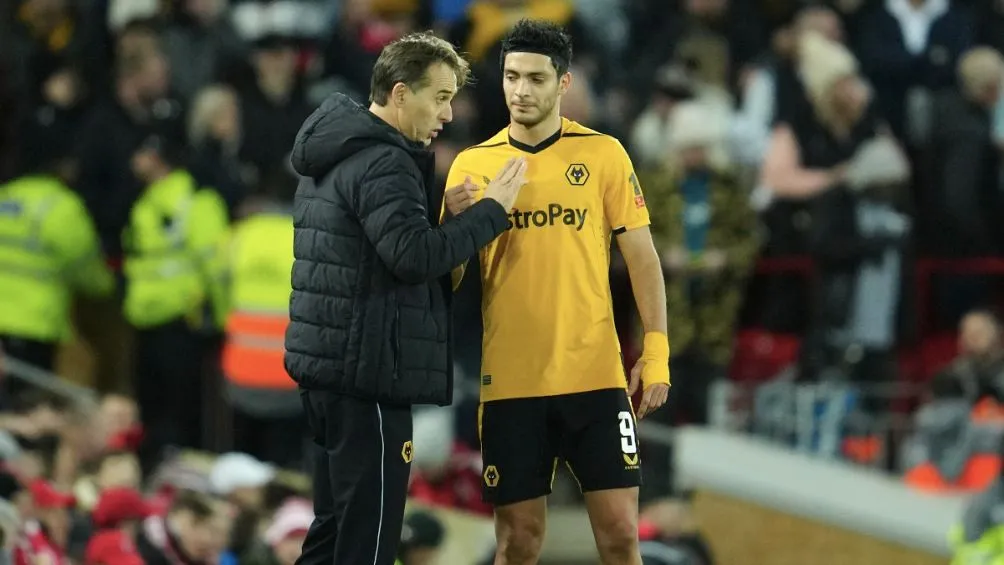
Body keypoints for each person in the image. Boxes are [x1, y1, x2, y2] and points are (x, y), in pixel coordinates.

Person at [283, 31, 528, 565]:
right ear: (399, 94)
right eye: (439, 97)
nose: (448, 112)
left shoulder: (337, 150)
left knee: (332, 533)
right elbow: (412, 258)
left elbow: (374, 253)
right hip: (367, 376)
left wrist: (444, 217)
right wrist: (493, 212)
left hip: (330, 374)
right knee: (369, 537)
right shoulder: (383, 160)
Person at [444, 19, 671, 565]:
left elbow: (642, 258)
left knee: (620, 535)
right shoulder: (472, 165)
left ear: (563, 84)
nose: (521, 91)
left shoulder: (603, 156)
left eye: (535, 79)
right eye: (511, 76)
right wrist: (452, 226)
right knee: (519, 542)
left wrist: (656, 353)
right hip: (511, 384)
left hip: (594, 375)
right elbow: (447, 278)